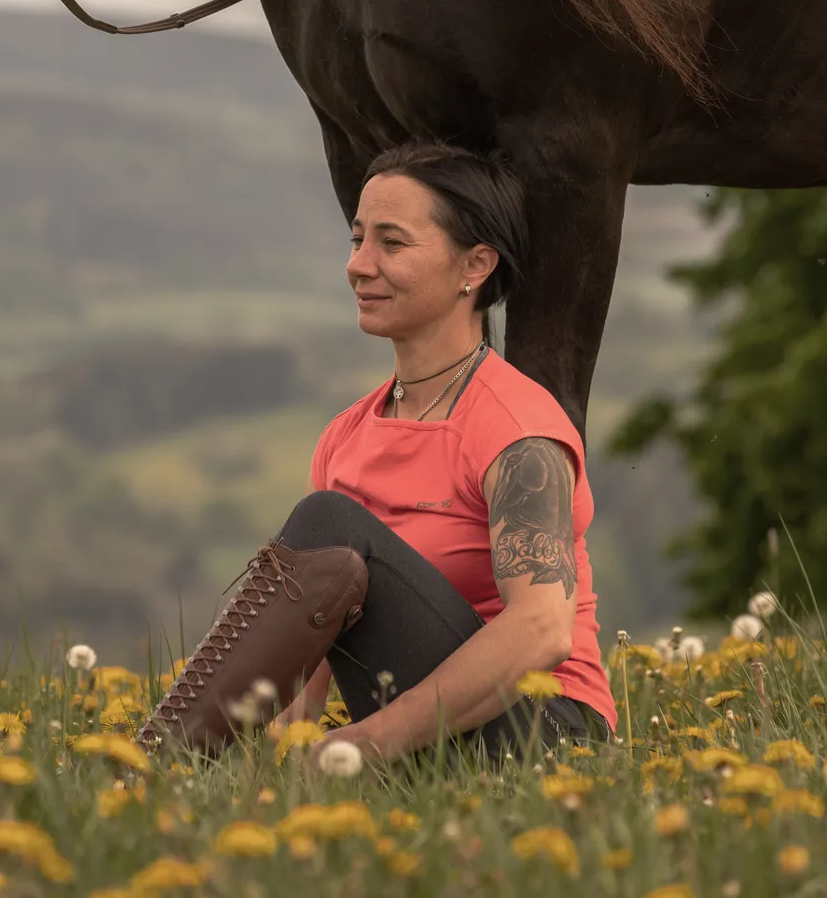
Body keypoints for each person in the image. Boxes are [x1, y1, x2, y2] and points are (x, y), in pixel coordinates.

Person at [137, 141, 616, 759]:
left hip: (549, 735)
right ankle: (163, 765)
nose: (359, 265)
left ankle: (153, 765)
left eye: (392, 243)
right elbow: (308, 636)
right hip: (428, 733)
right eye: (357, 240)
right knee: (327, 527)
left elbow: (544, 628)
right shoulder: (348, 433)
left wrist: (366, 744)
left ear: (475, 266)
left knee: (327, 520)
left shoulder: (517, 428)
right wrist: (281, 763)